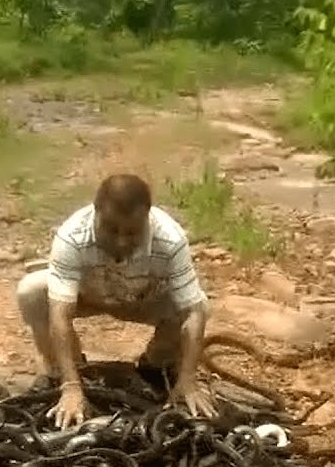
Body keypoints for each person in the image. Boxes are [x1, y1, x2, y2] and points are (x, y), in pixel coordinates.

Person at [15, 173, 218, 427]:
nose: (121, 241)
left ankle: (156, 367)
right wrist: (71, 386)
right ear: (95, 213)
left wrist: (188, 379)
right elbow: (60, 313)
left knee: (199, 306)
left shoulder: (171, 239)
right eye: (111, 229)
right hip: (90, 295)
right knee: (32, 292)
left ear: (147, 219)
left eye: (132, 232)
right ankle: (67, 372)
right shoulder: (72, 236)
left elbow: (193, 313)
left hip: (145, 298)